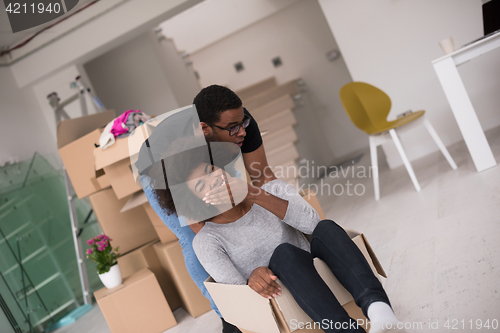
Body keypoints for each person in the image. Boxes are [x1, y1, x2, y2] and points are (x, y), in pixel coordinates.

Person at [146, 138, 407, 333]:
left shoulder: (271, 190)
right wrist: (252, 278)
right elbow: (241, 302)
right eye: (201, 186)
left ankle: (379, 311)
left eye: (211, 171)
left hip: (323, 270)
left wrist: (252, 193)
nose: (214, 182)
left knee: (326, 228)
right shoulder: (207, 242)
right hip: (289, 294)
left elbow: (312, 224)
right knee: (283, 255)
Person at [138, 85, 286, 333]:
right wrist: (246, 277)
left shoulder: (239, 124)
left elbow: (262, 178)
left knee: (241, 212)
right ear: (205, 129)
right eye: (233, 128)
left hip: (211, 153)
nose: (241, 132)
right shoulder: (176, 150)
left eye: (243, 124)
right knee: (197, 241)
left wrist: (287, 211)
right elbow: (201, 228)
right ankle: (229, 315)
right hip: (163, 168)